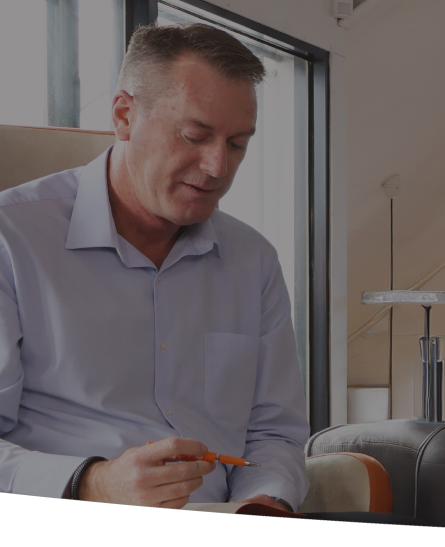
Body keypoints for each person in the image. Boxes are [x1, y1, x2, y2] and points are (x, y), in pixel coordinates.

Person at [0, 24, 304, 509]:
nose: (218, 167)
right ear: (124, 115)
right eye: (195, 135)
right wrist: (92, 483)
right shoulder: (11, 239)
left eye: (237, 144)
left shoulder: (255, 261)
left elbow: (275, 434)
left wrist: (267, 500)